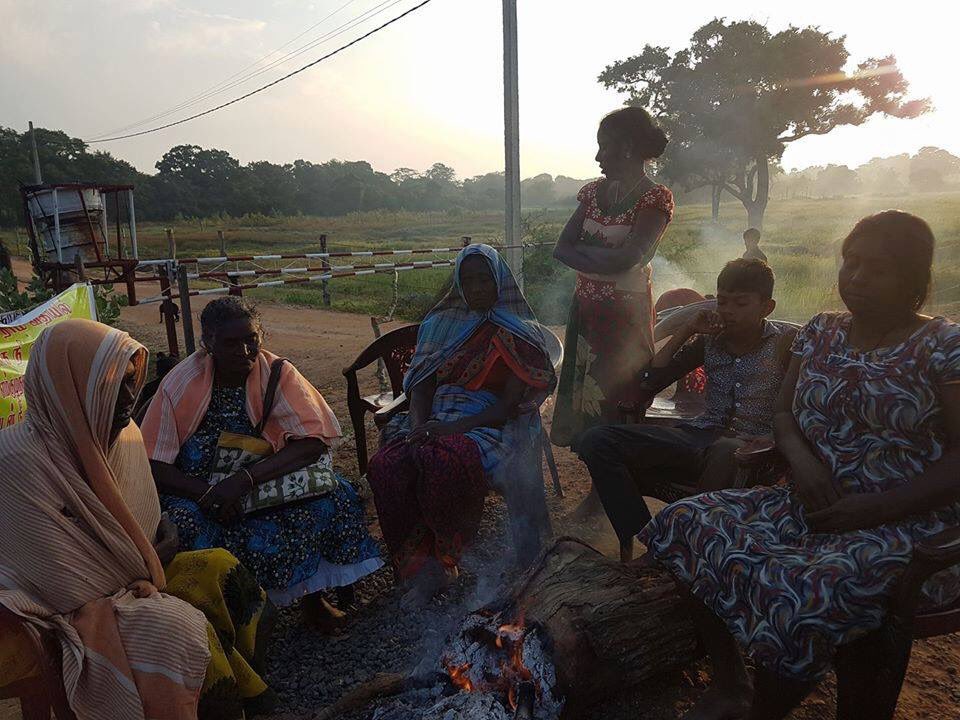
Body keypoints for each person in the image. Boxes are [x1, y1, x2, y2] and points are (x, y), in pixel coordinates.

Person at [641, 211, 960, 719]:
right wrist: (803, 464)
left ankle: (768, 710)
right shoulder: (822, 331)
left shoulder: (944, 347)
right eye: (850, 262)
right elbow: (786, 413)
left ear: (914, 279)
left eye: (876, 268)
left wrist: (875, 506)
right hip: (807, 498)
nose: (855, 277)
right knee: (685, 522)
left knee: (802, 588)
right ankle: (730, 685)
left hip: (905, 524)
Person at [0, 319, 275, 719]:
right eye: (114, 386)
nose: (129, 398)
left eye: (133, 381)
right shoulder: (16, 462)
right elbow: (56, 580)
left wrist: (159, 538)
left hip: (137, 573)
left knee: (224, 569)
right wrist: (149, 558)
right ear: (72, 390)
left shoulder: (122, 435)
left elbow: (141, 518)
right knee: (179, 630)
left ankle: (249, 684)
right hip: (63, 608)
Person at [141, 297, 382, 627]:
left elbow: (313, 442)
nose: (244, 352)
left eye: (250, 339)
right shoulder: (180, 384)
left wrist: (242, 481)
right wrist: (210, 494)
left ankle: (312, 598)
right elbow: (153, 461)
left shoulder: (277, 373)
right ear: (208, 342)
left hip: (256, 479)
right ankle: (229, 621)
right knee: (185, 526)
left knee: (335, 496)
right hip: (197, 490)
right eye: (230, 343)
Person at [367, 244, 556, 605]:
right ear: (458, 284)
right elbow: (421, 387)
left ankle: (450, 560)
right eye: (468, 280)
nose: (478, 288)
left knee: (442, 465)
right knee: (388, 467)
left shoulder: (516, 332)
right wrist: (419, 427)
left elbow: (505, 407)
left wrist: (451, 430)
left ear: (500, 282)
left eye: (485, 279)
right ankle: (422, 567)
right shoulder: (441, 324)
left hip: (486, 424)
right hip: (434, 416)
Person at [578, 259, 795, 562]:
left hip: (755, 450)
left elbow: (807, 404)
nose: (728, 311)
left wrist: (774, 437)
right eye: (722, 302)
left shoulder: (787, 343)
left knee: (725, 450)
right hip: (699, 437)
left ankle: (690, 547)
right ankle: (654, 544)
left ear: (766, 307)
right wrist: (686, 330)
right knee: (597, 441)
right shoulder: (709, 341)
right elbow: (650, 380)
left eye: (740, 303)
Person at [551, 106, 675, 448]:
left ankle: (604, 492)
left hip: (625, 320)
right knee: (585, 403)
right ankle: (597, 488)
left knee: (619, 400)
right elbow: (561, 248)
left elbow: (632, 257)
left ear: (627, 148)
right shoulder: (592, 193)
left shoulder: (655, 198)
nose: (597, 156)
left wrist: (588, 254)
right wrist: (611, 258)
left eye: (603, 146)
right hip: (586, 313)